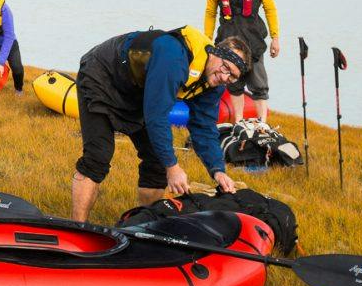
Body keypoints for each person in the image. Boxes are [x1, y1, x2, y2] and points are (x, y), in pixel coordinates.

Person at [69, 25, 252, 222]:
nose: (225, 77)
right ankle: (77, 227)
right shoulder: (174, 57)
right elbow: (157, 115)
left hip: (137, 93)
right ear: (215, 54)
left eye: (232, 76)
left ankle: (142, 226)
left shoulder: (214, 84)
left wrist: (218, 170)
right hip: (103, 76)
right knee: (98, 155)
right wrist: (172, 166)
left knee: (157, 163)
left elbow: (204, 127)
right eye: (225, 67)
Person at [204, 0, 281, 121]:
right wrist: (207, 40)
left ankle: (262, 124)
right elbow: (210, 13)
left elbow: (270, 8)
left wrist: (275, 38)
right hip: (228, 40)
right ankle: (237, 122)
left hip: (253, 40)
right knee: (233, 84)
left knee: (259, 84)